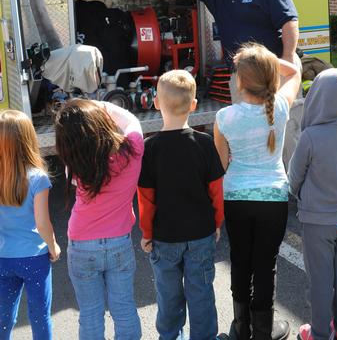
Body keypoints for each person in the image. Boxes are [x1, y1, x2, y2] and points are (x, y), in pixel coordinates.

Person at [213, 43, 301, 340]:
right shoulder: (280, 107)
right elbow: (295, 72)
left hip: (236, 196)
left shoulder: (224, 117)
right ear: (269, 75)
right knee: (266, 265)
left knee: (240, 259)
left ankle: (242, 327)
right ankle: (264, 330)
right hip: (274, 198)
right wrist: (267, 60)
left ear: (239, 79)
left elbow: (222, 164)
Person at [137, 70, 227, 340]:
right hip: (201, 233)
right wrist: (217, 223)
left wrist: (147, 233)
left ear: (155, 103)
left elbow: (146, 197)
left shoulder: (149, 148)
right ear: (194, 105)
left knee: (168, 295)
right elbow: (216, 190)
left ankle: (169, 336)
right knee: (201, 293)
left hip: (164, 237)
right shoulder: (204, 143)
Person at [156, 0, 299, 101]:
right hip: (241, 77)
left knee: (279, 121)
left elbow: (289, 22)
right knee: (246, 123)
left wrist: (288, 58)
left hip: (273, 70)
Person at [288, 68, 337, 340]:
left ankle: (320, 333)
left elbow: (294, 177)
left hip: (318, 221)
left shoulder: (312, 136)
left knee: (321, 281)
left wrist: (300, 195)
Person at [55, 99, 143, 340]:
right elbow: (131, 121)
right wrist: (100, 104)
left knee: (90, 314)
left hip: (82, 245)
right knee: (124, 308)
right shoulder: (133, 150)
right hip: (119, 243)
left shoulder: (76, 164)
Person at [0, 109, 60, 340]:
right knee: (39, 316)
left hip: (3, 258)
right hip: (34, 258)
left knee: (4, 317)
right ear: (28, 139)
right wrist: (53, 246)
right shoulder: (37, 178)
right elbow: (42, 223)